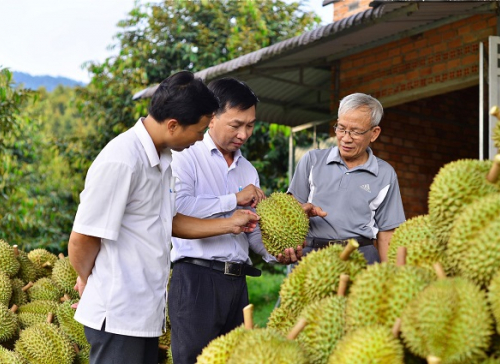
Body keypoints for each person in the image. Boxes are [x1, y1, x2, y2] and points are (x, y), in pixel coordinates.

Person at [68, 71, 260, 364]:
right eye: (198, 132)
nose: (199, 140)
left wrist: (231, 223)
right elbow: (82, 238)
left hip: (145, 312)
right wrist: (88, 279)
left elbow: (170, 222)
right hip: (118, 311)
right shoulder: (123, 159)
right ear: (173, 125)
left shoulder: (162, 159)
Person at [168, 77, 324, 364]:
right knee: (192, 359)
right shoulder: (186, 156)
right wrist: (234, 198)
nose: (244, 133)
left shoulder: (248, 171)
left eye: (250, 125)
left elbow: (252, 230)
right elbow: (178, 209)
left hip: (237, 282)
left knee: (238, 358)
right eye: (236, 125)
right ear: (211, 117)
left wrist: (275, 254)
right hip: (195, 279)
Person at [288, 92, 406, 264]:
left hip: (361, 257)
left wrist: (392, 278)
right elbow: (289, 209)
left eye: (355, 132)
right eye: (341, 128)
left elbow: (387, 233)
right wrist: (300, 211)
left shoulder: (385, 174)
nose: (345, 138)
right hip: (313, 256)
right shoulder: (312, 160)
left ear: (374, 133)